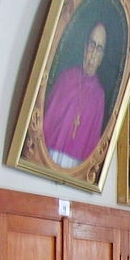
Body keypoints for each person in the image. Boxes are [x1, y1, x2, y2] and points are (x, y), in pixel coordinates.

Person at [42, 21, 108, 167]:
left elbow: (93, 142)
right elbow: (46, 121)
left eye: (99, 48)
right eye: (92, 44)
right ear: (85, 47)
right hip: (49, 155)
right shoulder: (66, 78)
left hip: (75, 167)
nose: (93, 53)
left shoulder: (99, 96)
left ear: (102, 57)